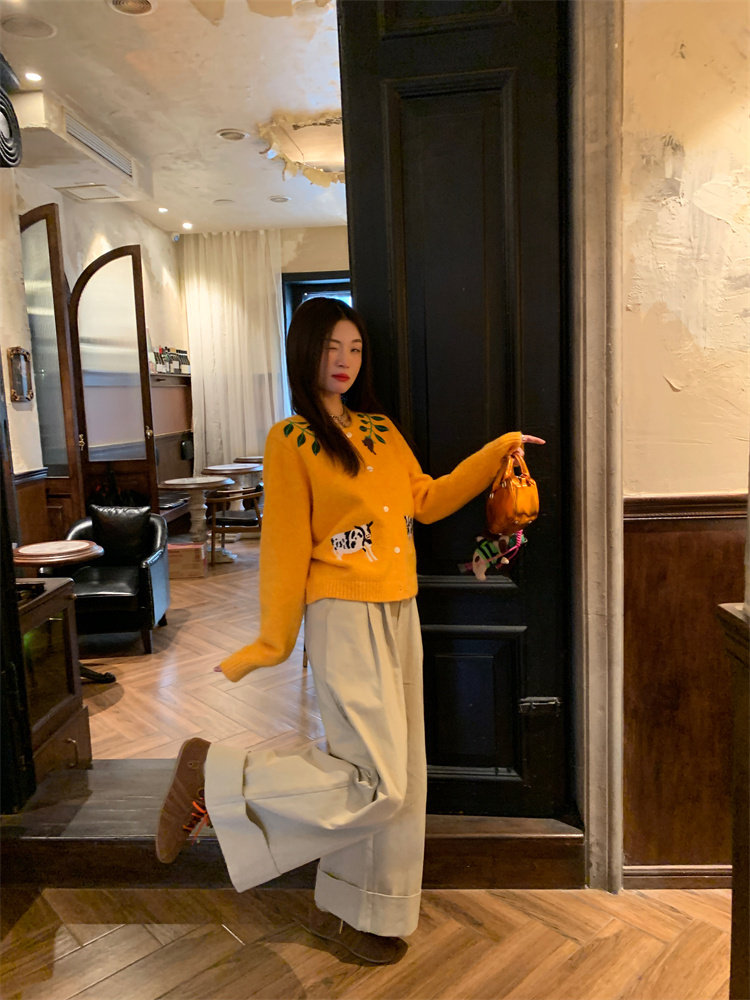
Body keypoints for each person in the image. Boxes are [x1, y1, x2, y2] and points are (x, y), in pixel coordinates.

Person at [155, 297, 544, 965]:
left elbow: (427, 499)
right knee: (375, 780)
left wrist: (497, 452)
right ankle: (217, 776)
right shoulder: (291, 439)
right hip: (341, 612)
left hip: (400, 609)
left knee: (403, 779)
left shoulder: (381, 430)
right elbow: (284, 546)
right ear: (305, 352)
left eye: (355, 348)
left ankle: (365, 912)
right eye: (332, 347)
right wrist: (273, 640)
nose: (344, 361)